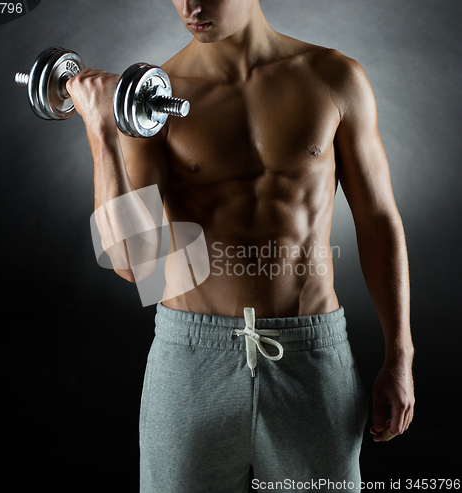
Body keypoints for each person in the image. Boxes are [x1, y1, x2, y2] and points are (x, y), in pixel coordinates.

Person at [66, 0, 415, 491]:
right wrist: (102, 130)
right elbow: (132, 262)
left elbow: (378, 222)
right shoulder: (150, 103)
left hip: (311, 359)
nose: (191, 5)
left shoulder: (334, 77)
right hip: (190, 363)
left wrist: (401, 356)